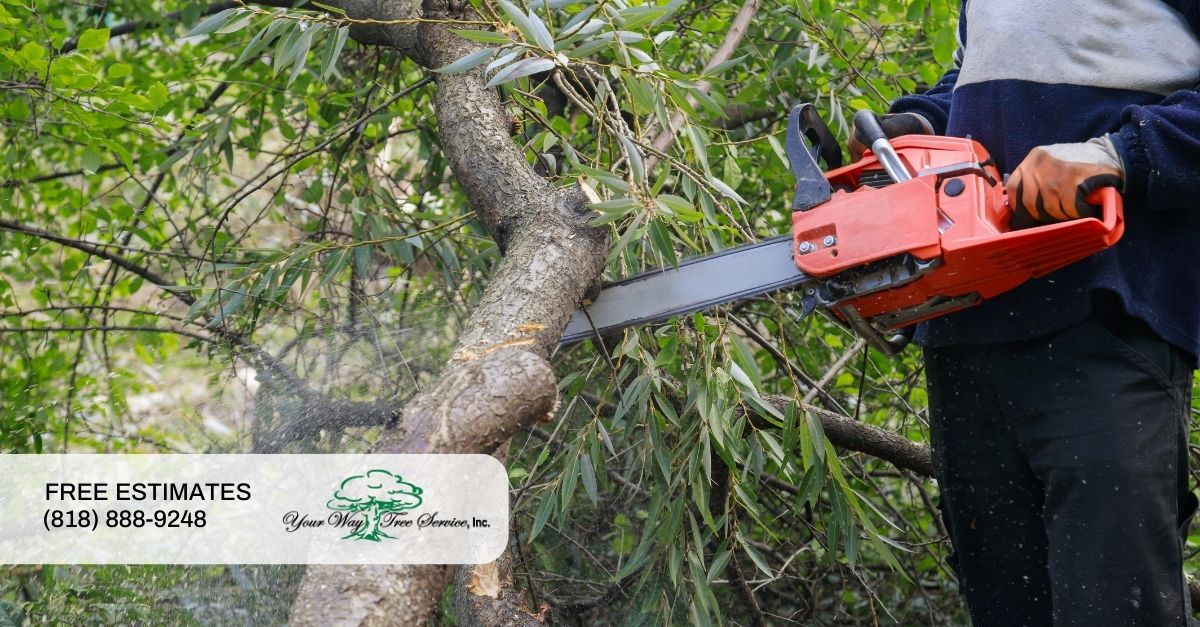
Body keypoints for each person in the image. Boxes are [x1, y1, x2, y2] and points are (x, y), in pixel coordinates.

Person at [849, 2, 1200, 625]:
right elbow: (976, 85)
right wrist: (923, 120)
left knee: (1113, 606)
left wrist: (1119, 153)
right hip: (966, 325)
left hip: (1105, 313)